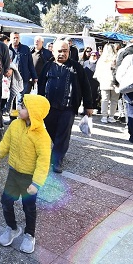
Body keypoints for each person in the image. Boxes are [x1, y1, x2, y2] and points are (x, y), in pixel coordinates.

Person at [0, 94, 52, 254]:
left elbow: (44, 161)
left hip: (29, 178)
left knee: (29, 207)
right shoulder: (15, 125)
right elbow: (6, 143)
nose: (20, 108)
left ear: (34, 112)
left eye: (24, 107)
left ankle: (30, 235)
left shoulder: (42, 136)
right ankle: (12, 227)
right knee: (6, 201)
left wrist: (37, 183)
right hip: (13, 172)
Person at [38, 39, 94, 173]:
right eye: (59, 51)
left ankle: (56, 161)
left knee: (63, 134)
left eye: (65, 51)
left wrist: (88, 105)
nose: (62, 54)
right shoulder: (47, 65)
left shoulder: (76, 67)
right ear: (53, 51)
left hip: (68, 107)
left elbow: (86, 86)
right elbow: (40, 86)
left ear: (69, 51)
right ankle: (58, 150)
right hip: (49, 107)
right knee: (52, 132)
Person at [8, 32, 37, 109]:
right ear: (10, 39)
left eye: (17, 37)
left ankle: (19, 117)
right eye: (14, 38)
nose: (16, 39)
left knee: (20, 98)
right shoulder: (7, 49)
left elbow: (30, 63)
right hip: (10, 78)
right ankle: (11, 116)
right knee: (10, 99)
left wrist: (34, 76)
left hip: (23, 77)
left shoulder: (25, 48)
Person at [94, 43, 119, 123]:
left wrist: (100, 80)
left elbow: (97, 73)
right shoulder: (116, 59)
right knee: (114, 100)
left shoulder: (101, 60)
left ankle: (104, 116)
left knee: (104, 99)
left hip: (104, 82)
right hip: (115, 82)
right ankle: (111, 116)